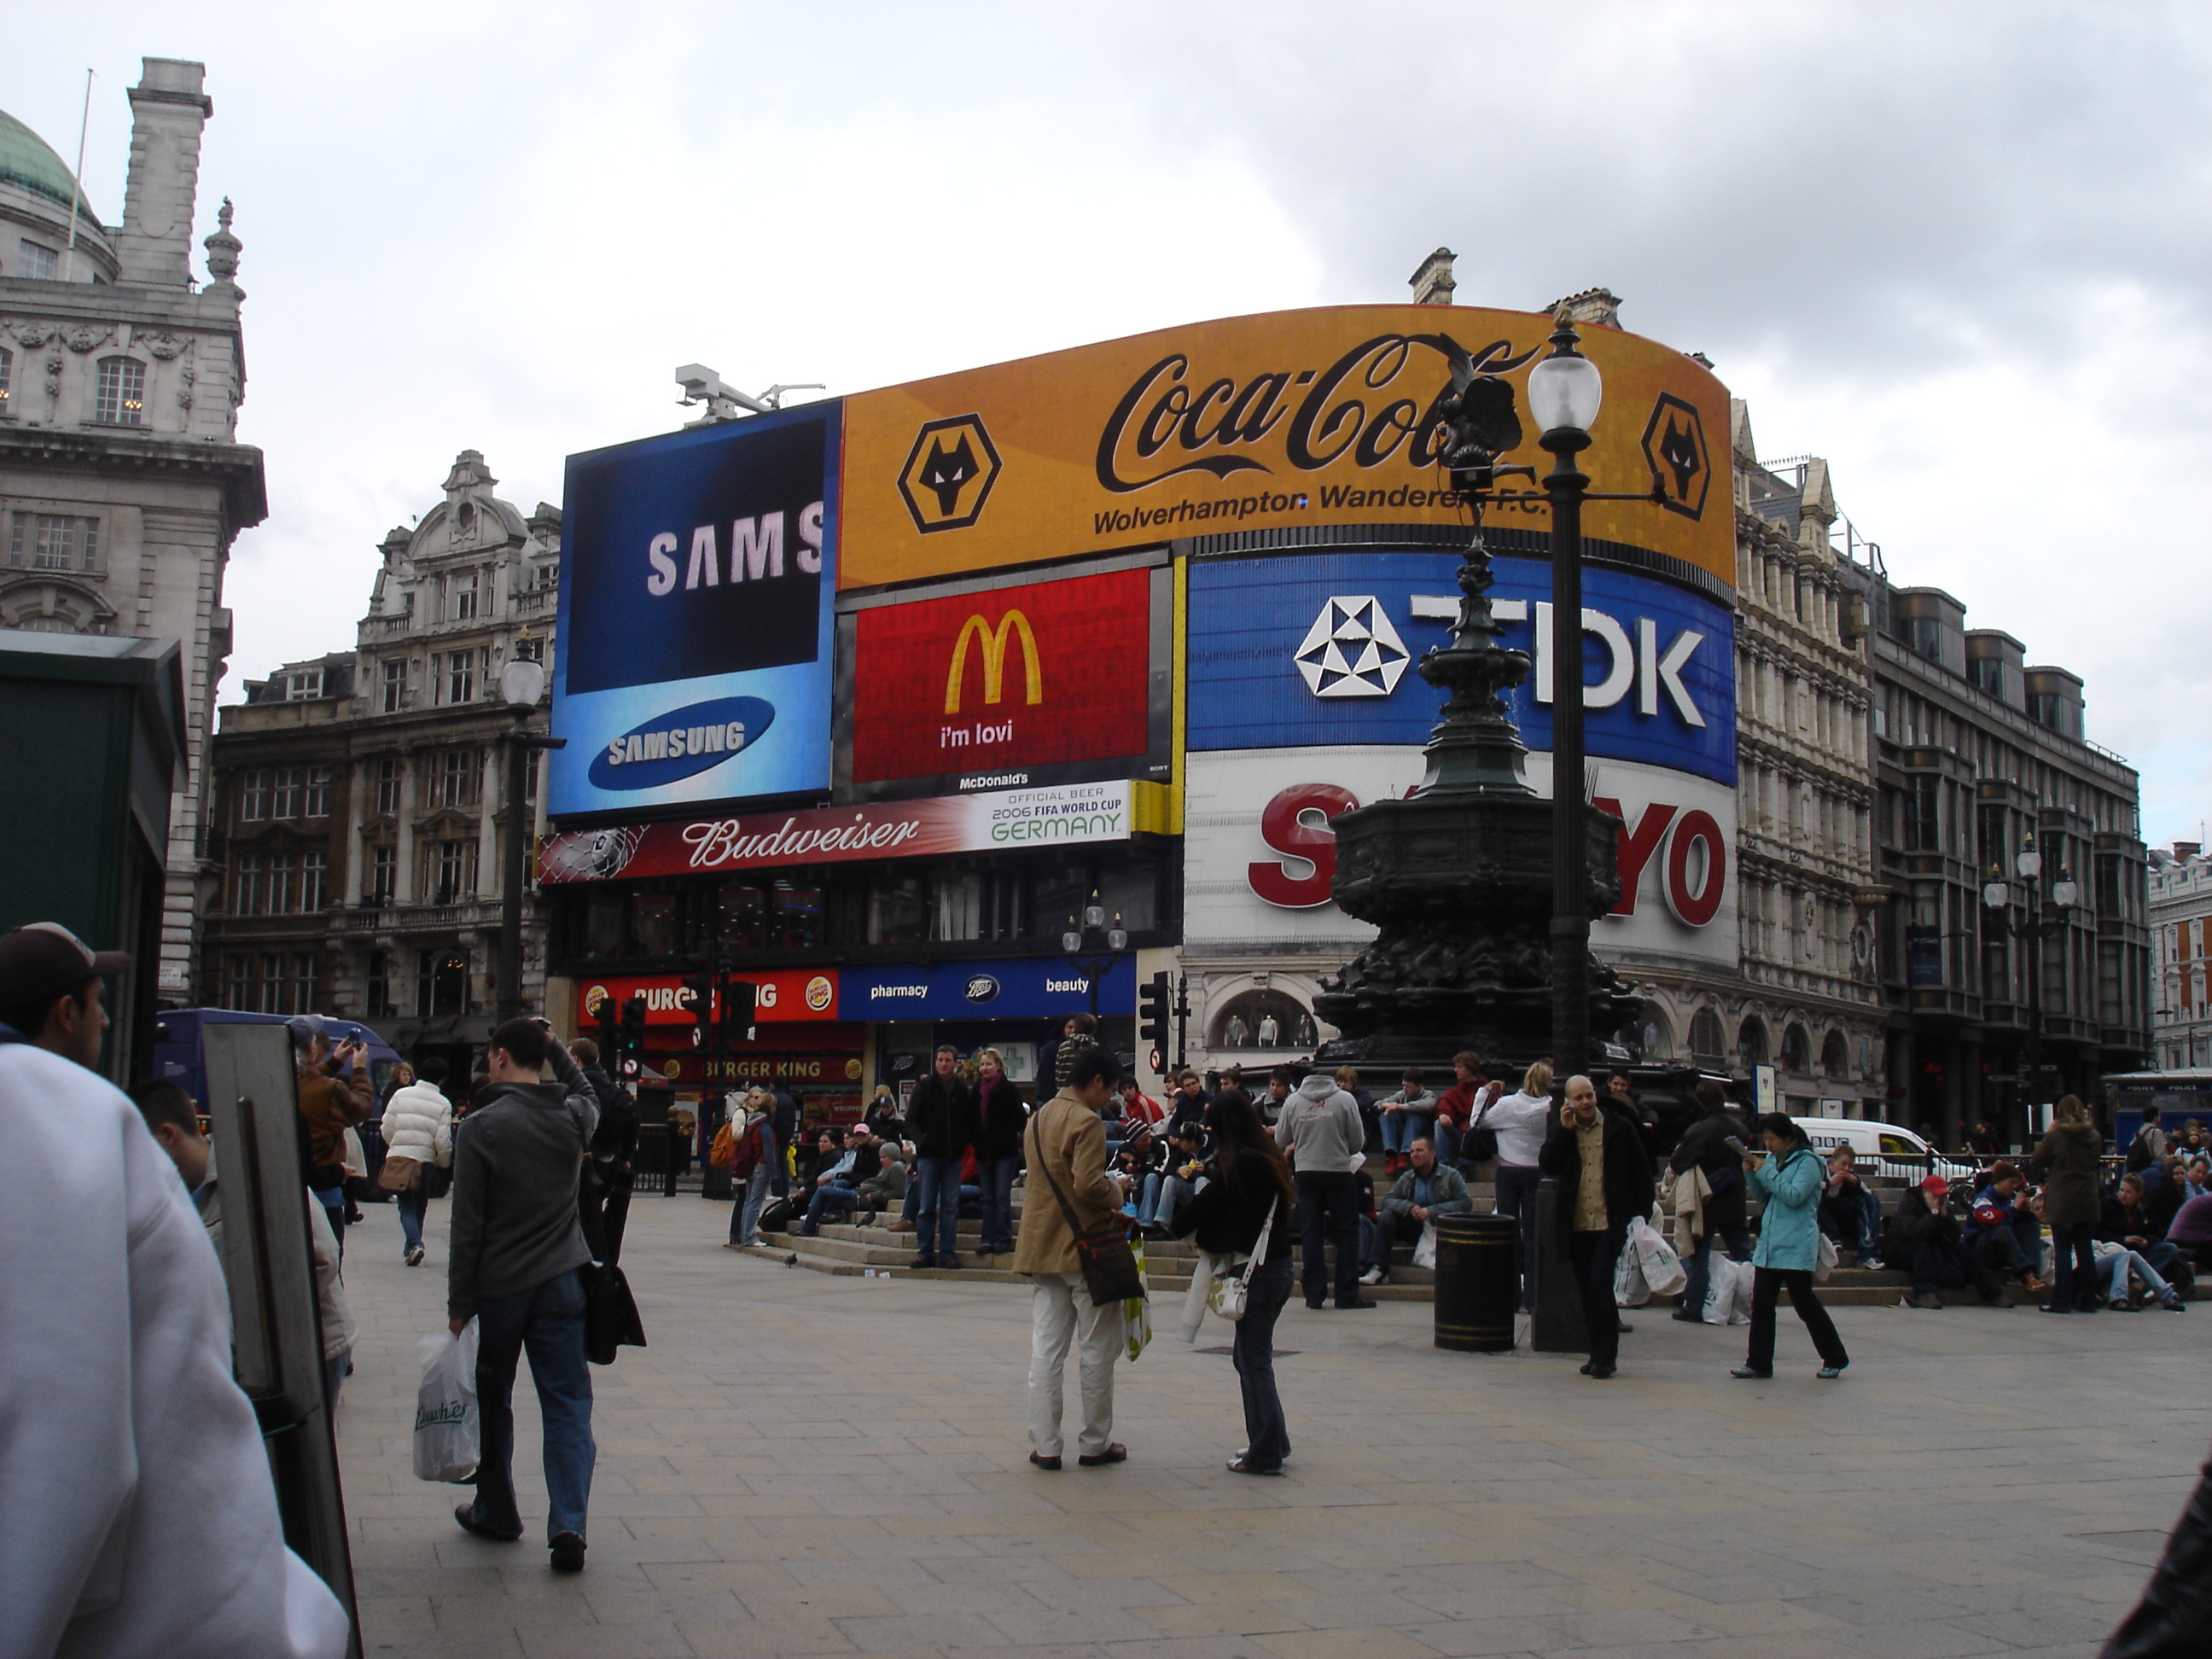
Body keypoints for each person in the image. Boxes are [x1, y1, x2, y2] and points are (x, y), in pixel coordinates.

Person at [0, 922, 351, 1657]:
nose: (104, 1019)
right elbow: (126, 1467)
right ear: (66, 1013)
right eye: (96, 1002)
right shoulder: (78, 1127)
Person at [447, 1016, 599, 1574]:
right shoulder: (572, 1118)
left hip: (500, 1285)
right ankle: (569, 1523)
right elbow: (587, 1089)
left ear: (503, 1057)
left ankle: (498, 1509)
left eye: (491, 1054)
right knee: (566, 1404)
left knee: (493, 1400)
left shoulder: (481, 1128)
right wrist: (556, 1045)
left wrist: (458, 1306)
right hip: (562, 1280)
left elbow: (467, 1228)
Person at [130, 1078, 360, 1404]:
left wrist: (249, 1329)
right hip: (238, 1360)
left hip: (305, 1349)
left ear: (168, 1137)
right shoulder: (168, 1197)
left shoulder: (252, 1170)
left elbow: (321, 1258)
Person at [1012, 1043, 1134, 1470]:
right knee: (1098, 1349)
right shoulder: (1086, 1121)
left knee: (1046, 1351)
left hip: (1042, 1248)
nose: (1110, 1099)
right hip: (1086, 1250)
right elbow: (1088, 1185)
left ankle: (1045, 1445)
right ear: (1096, 1082)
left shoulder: (1038, 1117)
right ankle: (1094, 1442)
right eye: (1110, 1090)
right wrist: (1118, 1190)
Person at [1171, 1087, 1297, 1475]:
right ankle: (1272, 1437)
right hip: (1277, 1267)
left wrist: (1191, 1233)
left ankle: (1266, 1451)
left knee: (1254, 1361)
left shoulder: (1238, 1164)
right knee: (1250, 1358)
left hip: (1255, 1272)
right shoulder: (1268, 1157)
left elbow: (1200, 1213)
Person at [1536, 1073, 1654, 1378]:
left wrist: (1637, 1214)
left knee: (1600, 1281)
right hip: (1576, 1223)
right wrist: (1563, 1132)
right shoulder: (1565, 1130)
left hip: (1609, 1221)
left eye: (1589, 1095)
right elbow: (1548, 1165)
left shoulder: (1619, 1127)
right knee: (1587, 1289)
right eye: (1579, 1098)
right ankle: (1596, 1351)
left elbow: (1642, 1171)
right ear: (1569, 1103)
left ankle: (1606, 1355)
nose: (1586, 1102)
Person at [1732, 1112, 1850, 1380]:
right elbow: (1767, 1196)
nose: (1769, 1145)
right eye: (1766, 1140)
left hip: (1796, 1244)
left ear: (1788, 1138)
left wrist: (1768, 1172)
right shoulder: (1774, 1161)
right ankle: (1758, 1362)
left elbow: (1794, 1196)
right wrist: (1751, 1173)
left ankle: (1835, 1356)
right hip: (1770, 1244)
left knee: (1805, 1304)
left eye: (1773, 1139)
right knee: (1761, 1304)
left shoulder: (1809, 1163)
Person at [1276, 1065, 1372, 1310]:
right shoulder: (1345, 1099)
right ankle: (1346, 1293)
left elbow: (1280, 1139)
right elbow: (1358, 1141)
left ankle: (1314, 1294)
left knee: (1311, 1232)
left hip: (1306, 1171)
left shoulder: (1293, 1101)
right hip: (1338, 1170)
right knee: (1348, 1231)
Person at [1668, 1080, 1754, 1322]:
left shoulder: (1699, 1130)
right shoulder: (1740, 1128)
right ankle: (1752, 1302)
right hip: (1734, 1196)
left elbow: (1679, 1161)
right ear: (1724, 1097)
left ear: (1701, 1103)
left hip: (1707, 1199)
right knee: (1743, 1254)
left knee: (1698, 1255)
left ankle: (1693, 1306)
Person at [290, 1012, 375, 1250]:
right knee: (326, 1266)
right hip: (323, 1188)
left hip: (281, 1190)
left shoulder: (275, 1081)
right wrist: (359, 1070)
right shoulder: (329, 1089)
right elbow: (362, 1108)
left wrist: (336, 1062)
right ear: (311, 1049)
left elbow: (308, 1081)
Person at [1487, 1060, 1557, 1313]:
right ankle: (1534, 1297)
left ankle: (1510, 1295)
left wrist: (1485, 1094)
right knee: (1533, 1234)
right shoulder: (1551, 1107)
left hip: (1508, 1169)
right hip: (1536, 1171)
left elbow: (1480, 1122)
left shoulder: (1507, 1105)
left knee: (1509, 1231)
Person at [1363, 1135, 1472, 1286]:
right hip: (1417, 1228)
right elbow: (1387, 1201)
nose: (1415, 1155)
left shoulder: (1451, 1175)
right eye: (1412, 1151)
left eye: (1420, 1150)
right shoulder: (1408, 1177)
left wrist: (1432, 1211)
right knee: (1387, 1216)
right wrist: (1409, 1208)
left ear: (1432, 1153)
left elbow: (1465, 1203)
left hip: (1444, 1230)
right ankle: (1378, 1269)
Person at [1885, 1176, 2010, 1308]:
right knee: (1921, 1247)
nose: (1939, 1199)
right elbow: (1915, 1233)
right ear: (1926, 1192)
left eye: (1942, 1196)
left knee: (1961, 1249)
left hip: (1931, 1247)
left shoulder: (1943, 1205)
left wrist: (1945, 1217)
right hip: (1900, 1248)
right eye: (1936, 1195)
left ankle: (1993, 1292)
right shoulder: (1908, 1202)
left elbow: (1954, 1237)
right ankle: (1925, 1292)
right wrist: (1933, 1214)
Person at [2031, 1094, 2104, 1313]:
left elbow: (2038, 1160)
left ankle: (2061, 1300)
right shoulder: (2093, 1135)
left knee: (2063, 1251)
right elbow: (2096, 1161)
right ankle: (2087, 1299)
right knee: (2085, 1250)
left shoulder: (2056, 1135)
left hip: (2063, 1197)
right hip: (2087, 1198)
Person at [907, 1045, 978, 1269]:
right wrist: (922, 1141)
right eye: (940, 1060)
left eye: (948, 1060)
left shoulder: (962, 1089)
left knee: (950, 1207)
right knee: (927, 1206)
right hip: (929, 1157)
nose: (944, 1064)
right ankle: (925, 1252)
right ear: (935, 1062)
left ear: (956, 1063)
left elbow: (969, 1120)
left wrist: (962, 1141)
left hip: (953, 1157)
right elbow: (910, 1120)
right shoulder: (924, 1087)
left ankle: (948, 1252)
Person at [570, 1038, 637, 1265]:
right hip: (609, 1162)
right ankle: (600, 1264)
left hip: (582, 1162)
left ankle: (587, 1265)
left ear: (576, 1060)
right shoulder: (612, 1089)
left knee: (580, 1218)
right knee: (595, 1214)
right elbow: (632, 1125)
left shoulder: (577, 1090)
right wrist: (625, 1157)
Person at [383, 1056, 456, 1265]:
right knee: (420, 1204)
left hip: (401, 1156)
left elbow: (387, 1125)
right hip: (425, 1161)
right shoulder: (443, 1103)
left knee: (405, 1205)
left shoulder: (401, 1094)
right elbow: (442, 1140)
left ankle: (414, 1244)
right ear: (442, 1080)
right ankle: (414, 1245)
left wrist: (394, 1144)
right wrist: (443, 1162)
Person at [1963, 1161, 2048, 1294]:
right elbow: (1989, 1218)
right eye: (2011, 1182)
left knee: (2030, 1224)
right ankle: (2025, 1273)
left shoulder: (2007, 1199)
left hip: (2000, 1249)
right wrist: (2013, 1209)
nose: (2014, 1187)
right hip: (1979, 1251)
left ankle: (2032, 1272)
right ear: (2000, 1181)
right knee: (2002, 1229)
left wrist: (2024, 1212)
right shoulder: (1983, 1199)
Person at [975, 1049, 1028, 1255]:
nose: (985, 1068)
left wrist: (1004, 1138)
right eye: (982, 1065)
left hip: (1005, 1152)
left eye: (989, 1064)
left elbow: (1019, 1119)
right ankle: (987, 1239)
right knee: (987, 1197)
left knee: (1001, 1197)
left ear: (998, 1066)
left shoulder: (1009, 1090)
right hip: (983, 1152)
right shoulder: (976, 1091)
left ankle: (1003, 1238)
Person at [798, 1122, 882, 1235]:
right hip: (856, 1184)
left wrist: (844, 1176)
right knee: (826, 1187)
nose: (860, 1138)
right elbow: (848, 1169)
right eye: (858, 1135)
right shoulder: (859, 1151)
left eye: (862, 1135)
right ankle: (813, 1221)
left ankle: (831, 1213)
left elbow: (870, 1176)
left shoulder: (873, 1152)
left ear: (868, 1135)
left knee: (832, 1186)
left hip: (861, 1191)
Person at [724, 1089, 778, 1249]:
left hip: (751, 1165)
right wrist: (773, 1172)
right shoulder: (765, 1125)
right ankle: (749, 1237)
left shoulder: (753, 1121)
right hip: (762, 1166)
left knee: (748, 1202)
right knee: (755, 1203)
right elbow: (768, 1149)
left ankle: (743, 1234)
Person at [1817, 1144, 1882, 1260]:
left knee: (1870, 1200)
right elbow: (1811, 1189)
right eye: (1843, 1164)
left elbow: (1868, 1195)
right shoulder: (1819, 1170)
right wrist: (1829, 1183)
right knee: (1819, 1199)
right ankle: (1833, 1239)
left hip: (1844, 1217)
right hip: (1822, 1217)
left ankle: (1867, 1250)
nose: (1847, 1169)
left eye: (1850, 1166)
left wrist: (1856, 1184)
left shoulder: (1850, 1176)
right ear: (1833, 1162)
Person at [1432, 1051, 1490, 1169]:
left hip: (1479, 1139)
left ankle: (1465, 1167)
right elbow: (1445, 1103)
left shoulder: (1487, 1090)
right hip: (1461, 1137)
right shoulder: (1455, 1092)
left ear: (1470, 1069)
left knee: (1473, 1124)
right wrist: (1443, 1114)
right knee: (1439, 1124)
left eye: (1459, 1067)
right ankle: (1442, 1166)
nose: (1455, 1070)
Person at [1375, 1067, 1438, 1173]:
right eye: (1404, 1085)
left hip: (1421, 1135)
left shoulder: (1428, 1095)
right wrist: (1387, 1106)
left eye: (1409, 1087)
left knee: (1415, 1116)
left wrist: (1400, 1107)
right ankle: (1391, 1155)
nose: (1405, 1089)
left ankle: (1405, 1154)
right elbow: (1378, 1104)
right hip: (1402, 1132)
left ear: (1419, 1086)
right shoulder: (1401, 1095)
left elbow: (1428, 1105)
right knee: (1386, 1115)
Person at [2122, 1105, 2167, 1173]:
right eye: (2159, 1116)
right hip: (2149, 1168)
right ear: (2155, 1117)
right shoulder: (2156, 1132)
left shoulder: (2141, 1131)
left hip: (2138, 1168)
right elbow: (2159, 1155)